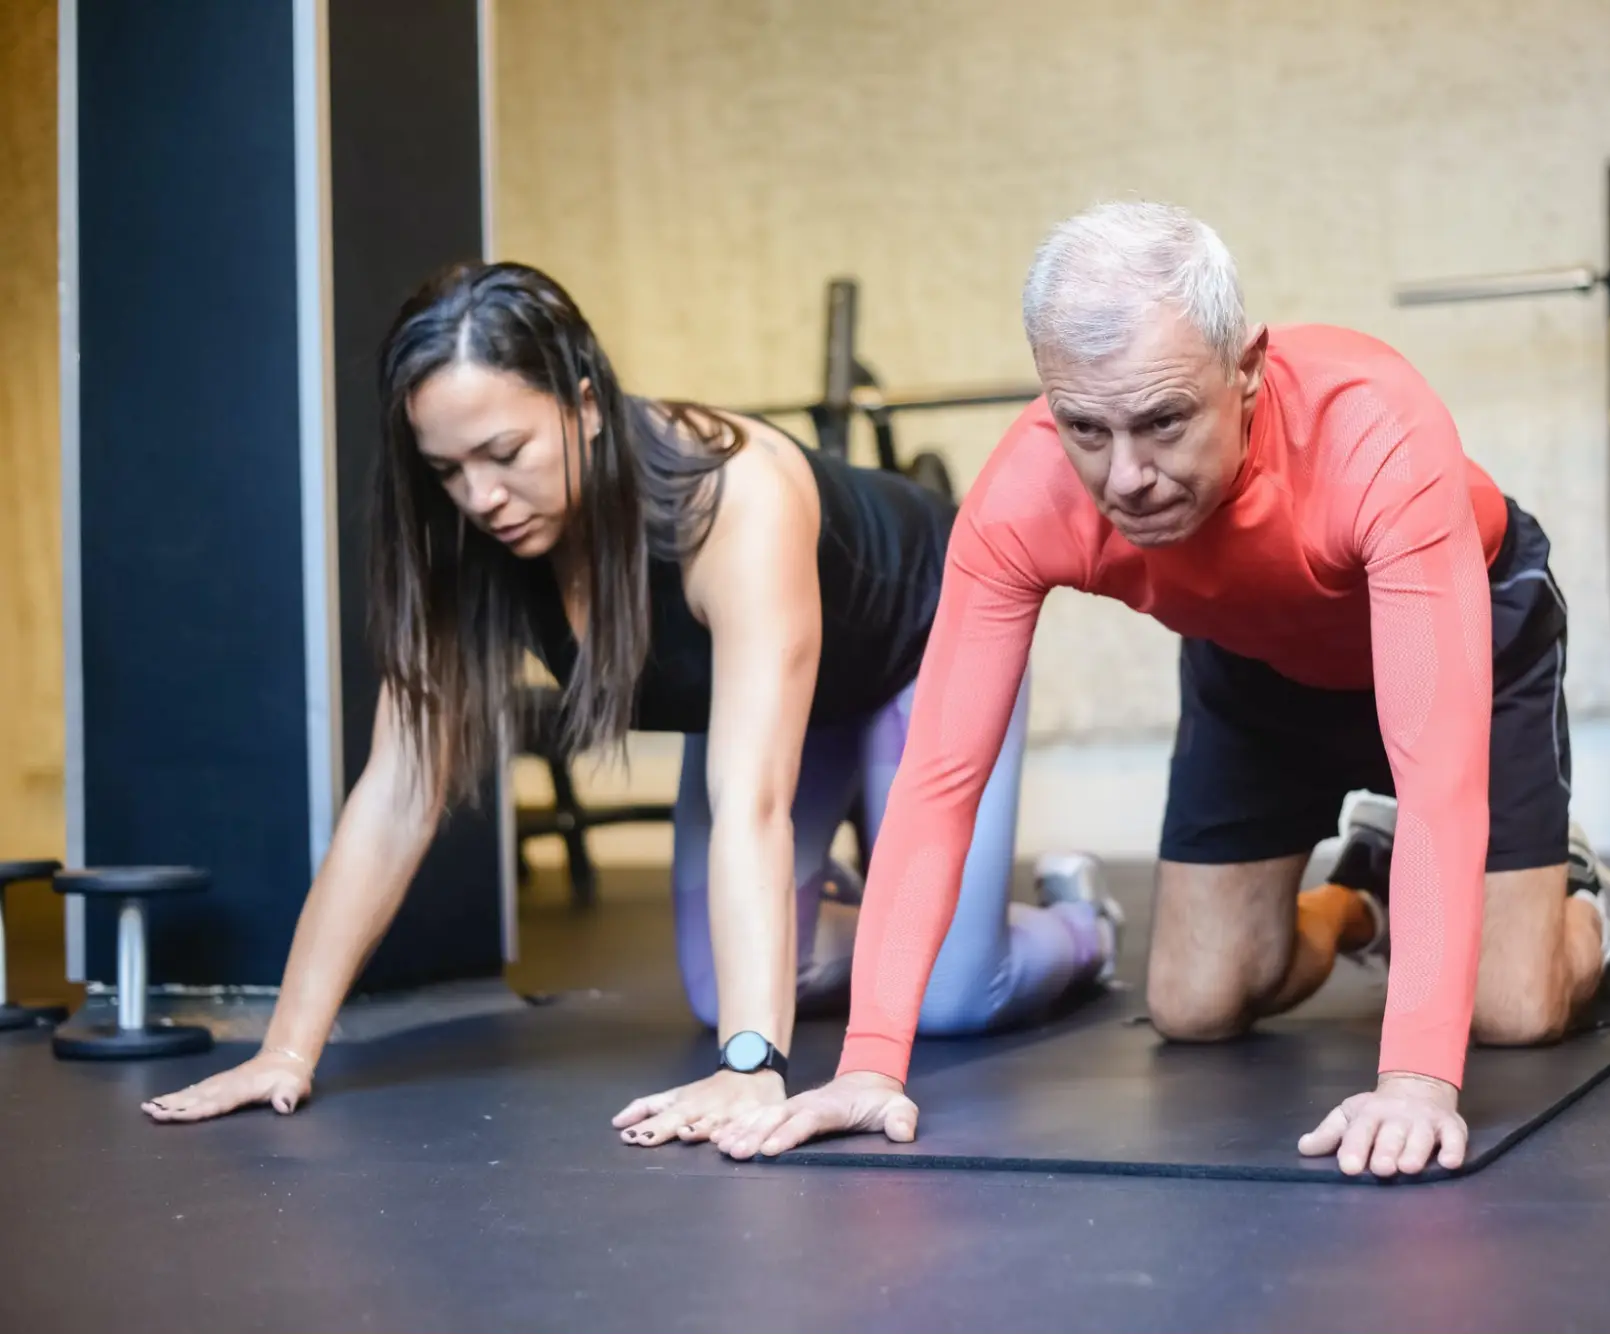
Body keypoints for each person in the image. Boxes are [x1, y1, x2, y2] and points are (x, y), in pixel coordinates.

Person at [714, 203, 1610, 1179]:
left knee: (1511, 1013)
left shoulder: (1373, 432)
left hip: (1465, 626)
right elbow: (941, 778)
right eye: (1084, 427)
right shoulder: (1023, 499)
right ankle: (1355, 901)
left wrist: (1413, 1081)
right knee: (1197, 1006)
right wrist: (869, 1065)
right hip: (1254, 657)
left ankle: (1585, 906)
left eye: (1162, 422)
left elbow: (1439, 780)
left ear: (1246, 371)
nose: (1126, 478)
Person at [138, 261, 1119, 1140]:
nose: (479, 497)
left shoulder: (729, 495)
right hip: (785, 696)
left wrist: (751, 1067)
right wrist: (286, 1052)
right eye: (447, 471)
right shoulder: (468, 545)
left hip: (917, 648)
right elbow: (395, 795)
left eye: (504, 451)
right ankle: (898, 907)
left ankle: (1078, 925)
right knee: (716, 989)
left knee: (946, 995)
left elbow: (752, 801)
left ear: (586, 403)